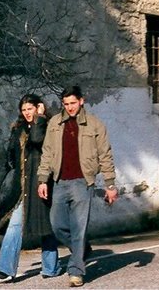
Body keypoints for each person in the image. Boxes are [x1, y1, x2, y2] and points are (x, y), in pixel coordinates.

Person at [37, 86, 118, 288]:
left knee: (79, 227)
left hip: (83, 182)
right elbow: (47, 153)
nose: (70, 107)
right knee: (56, 225)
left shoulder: (95, 125)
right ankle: (81, 249)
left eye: (73, 103)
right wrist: (42, 180)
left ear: (81, 101)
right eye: (66, 104)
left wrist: (110, 184)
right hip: (59, 182)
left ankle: (76, 272)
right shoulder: (55, 123)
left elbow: (105, 155)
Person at [0, 94, 59, 281]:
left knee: (46, 226)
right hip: (22, 188)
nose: (27, 113)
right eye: (24, 109)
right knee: (15, 224)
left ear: (39, 108)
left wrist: (40, 119)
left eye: (31, 108)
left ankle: (50, 268)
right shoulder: (17, 130)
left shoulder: (47, 126)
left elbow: (36, 139)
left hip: (43, 185)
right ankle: (5, 267)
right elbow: (8, 160)